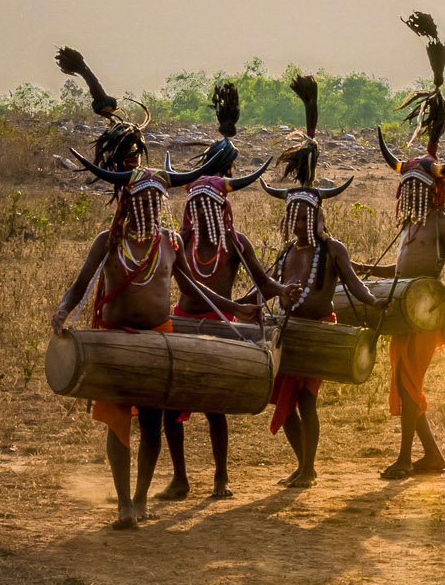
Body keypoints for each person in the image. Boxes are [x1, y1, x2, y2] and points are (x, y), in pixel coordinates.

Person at [50, 48, 252, 529]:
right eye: (140, 200)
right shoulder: (110, 239)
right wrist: (63, 313)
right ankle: (125, 503)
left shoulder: (169, 240)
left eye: (155, 201)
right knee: (120, 425)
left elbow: (192, 288)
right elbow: (79, 285)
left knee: (153, 423)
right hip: (117, 342)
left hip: (161, 338)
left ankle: (140, 497)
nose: (148, 209)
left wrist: (234, 311)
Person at [364, 12, 445, 479]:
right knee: (403, 383)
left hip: (428, 311)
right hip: (401, 309)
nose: (411, 195)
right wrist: (364, 272)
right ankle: (429, 456)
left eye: (418, 188)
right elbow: (397, 272)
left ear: (432, 190)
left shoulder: (442, 224)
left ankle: (407, 458)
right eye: (406, 188)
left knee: (409, 383)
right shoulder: (411, 225)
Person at [158, 80, 289, 502]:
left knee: (215, 406)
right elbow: (187, 286)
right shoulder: (179, 244)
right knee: (171, 406)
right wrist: (241, 305)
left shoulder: (236, 242)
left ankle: (220, 479)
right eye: (195, 206)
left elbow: (266, 286)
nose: (201, 212)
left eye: (207, 206)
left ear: (220, 209)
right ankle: (180, 479)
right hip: (184, 321)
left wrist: (275, 294)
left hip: (219, 329)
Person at [262, 73, 378, 489]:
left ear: (315, 217)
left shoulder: (332, 250)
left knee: (307, 401)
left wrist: (375, 305)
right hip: (288, 333)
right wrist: (242, 304)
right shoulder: (287, 253)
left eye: (302, 215)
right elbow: (267, 287)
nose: (295, 221)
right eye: (291, 215)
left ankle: (309, 468)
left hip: (319, 335)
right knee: (284, 404)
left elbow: (353, 285)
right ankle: (302, 464)